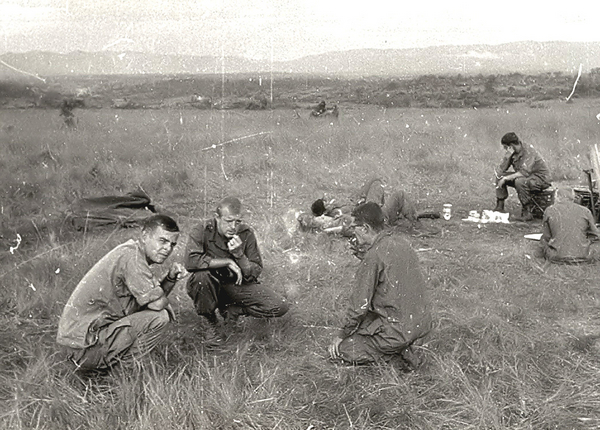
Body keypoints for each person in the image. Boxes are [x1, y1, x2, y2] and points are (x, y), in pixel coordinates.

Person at [57, 214, 187, 372]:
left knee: (153, 313)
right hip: (81, 349)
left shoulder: (131, 252)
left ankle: (115, 369)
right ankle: (125, 372)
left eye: (172, 244)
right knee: (160, 318)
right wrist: (164, 303)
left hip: (77, 346)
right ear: (145, 236)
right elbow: (157, 304)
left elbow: (145, 304)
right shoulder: (132, 257)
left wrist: (170, 278)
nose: (168, 249)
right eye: (163, 241)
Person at [328, 202, 433, 368]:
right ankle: (400, 347)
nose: (353, 231)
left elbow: (358, 307)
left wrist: (341, 335)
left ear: (365, 228)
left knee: (344, 350)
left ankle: (396, 358)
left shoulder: (373, 257)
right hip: (420, 324)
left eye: (355, 226)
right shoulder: (402, 243)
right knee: (368, 325)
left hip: (397, 331)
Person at [185, 197, 289, 331]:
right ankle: (210, 322)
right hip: (209, 285)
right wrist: (227, 262)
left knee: (280, 305)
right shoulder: (201, 230)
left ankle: (234, 310)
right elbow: (191, 261)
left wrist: (239, 255)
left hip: (236, 286)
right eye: (228, 221)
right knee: (201, 278)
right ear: (217, 217)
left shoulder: (246, 233)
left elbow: (255, 272)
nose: (233, 227)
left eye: (238, 221)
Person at [297, 178, 419, 234]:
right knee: (399, 195)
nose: (322, 218)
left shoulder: (331, 216)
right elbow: (346, 229)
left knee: (374, 182)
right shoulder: (330, 225)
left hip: (366, 212)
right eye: (317, 219)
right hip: (375, 219)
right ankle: (416, 223)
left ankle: (393, 212)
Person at [494, 132, 551, 221]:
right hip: (527, 178)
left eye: (505, 147)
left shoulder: (529, 151)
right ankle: (500, 206)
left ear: (511, 146)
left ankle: (527, 212)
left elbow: (524, 173)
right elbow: (501, 170)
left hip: (540, 179)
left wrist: (506, 178)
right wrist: (507, 157)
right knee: (500, 176)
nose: (505, 149)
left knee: (519, 181)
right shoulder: (512, 152)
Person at [536, 186, 600, 263]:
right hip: (584, 256)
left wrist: (538, 253)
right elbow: (596, 235)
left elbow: (546, 237)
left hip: (556, 257)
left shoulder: (550, 210)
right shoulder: (585, 211)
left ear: (558, 197)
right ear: (573, 197)